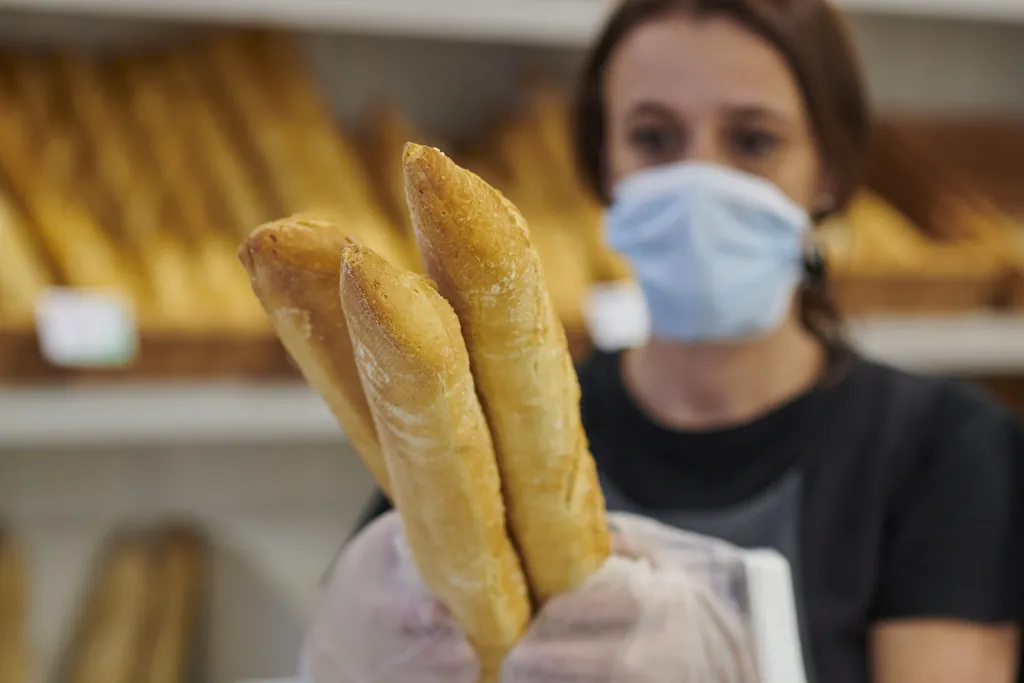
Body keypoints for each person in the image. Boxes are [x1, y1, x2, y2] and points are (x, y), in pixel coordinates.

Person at [307, 0, 1023, 681]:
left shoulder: (948, 450)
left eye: (753, 140)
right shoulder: (481, 433)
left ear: (829, 172)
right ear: (605, 167)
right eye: (654, 138)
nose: (700, 178)